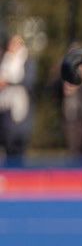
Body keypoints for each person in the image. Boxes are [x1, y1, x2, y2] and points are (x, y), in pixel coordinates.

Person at [55, 42, 82, 165]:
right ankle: (73, 171)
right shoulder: (62, 73)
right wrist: (64, 87)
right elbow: (54, 90)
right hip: (70, 113)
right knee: (72, 145)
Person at [0, 33, 36, 167]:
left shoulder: (27, 62)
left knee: (19, 147)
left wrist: (8, 82)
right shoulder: (4, 60)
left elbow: (29, 82)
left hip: (21, 113)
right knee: (7, 145)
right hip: (5, 112)